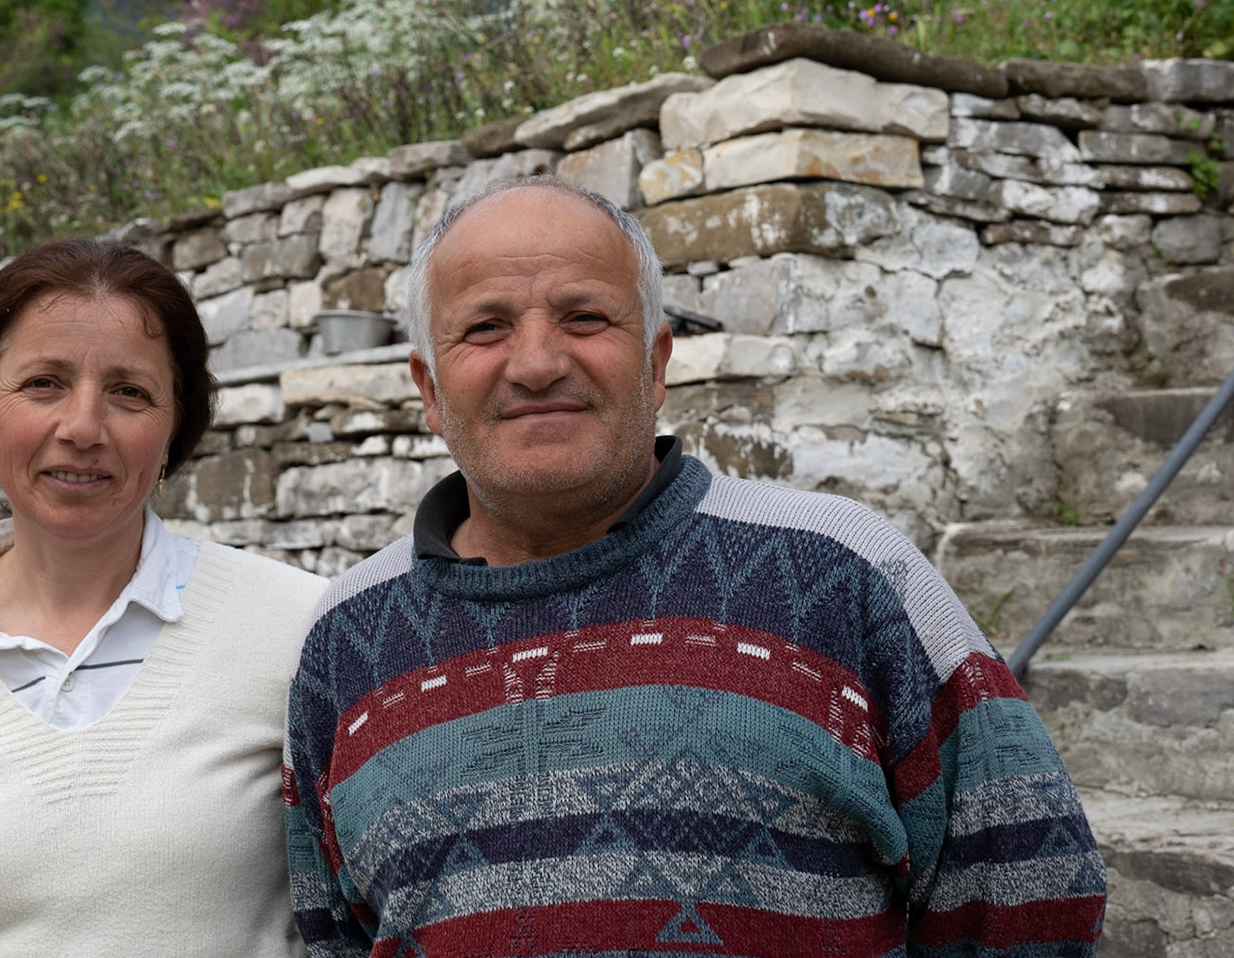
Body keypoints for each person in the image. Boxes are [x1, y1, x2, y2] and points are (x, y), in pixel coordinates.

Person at [284, 177, 1106, 957]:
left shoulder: (845, 571)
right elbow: (332, 935)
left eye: (584, 317)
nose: (536, 362)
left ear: (656, 361)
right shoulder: (344, 644)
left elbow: (1032, 897)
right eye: (486, 327)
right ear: (428, 389)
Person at [0, 238, 327, 957]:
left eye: (129, 392)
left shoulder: (296, 629)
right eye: (43, 384)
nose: (83, 428)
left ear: (175, 428)